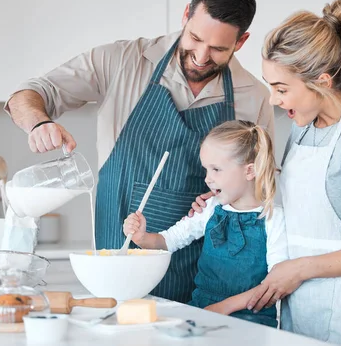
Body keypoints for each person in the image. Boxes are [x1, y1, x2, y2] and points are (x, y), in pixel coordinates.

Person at [4, 0, 274, 303]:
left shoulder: (253, 97)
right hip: (117, 268)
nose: (201, 56)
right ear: (186, 14)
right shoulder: (123, 61)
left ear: (241, 41)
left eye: (218, 49)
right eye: (195, 38)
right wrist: (38, 123)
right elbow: (29, 94)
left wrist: (230, 196)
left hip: (206, 282)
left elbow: (264, 188)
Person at [192, 0, 341, 345]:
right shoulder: (303, 128)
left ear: (321, 81)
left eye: (282, 89)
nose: (273, 100)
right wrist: (227, 195)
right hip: (300, 311)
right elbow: (289, 204)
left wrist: (301, 268)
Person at [123, 120, 287, 327]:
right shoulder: (209, 207)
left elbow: (274, 284)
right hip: (202, 310)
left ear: (249, 171)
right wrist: (142, 237)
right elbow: (168, 241)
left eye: (216, 169)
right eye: (206, 170)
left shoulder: (274, 219)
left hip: (251, 320)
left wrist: (223, 307)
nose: (208, 179)